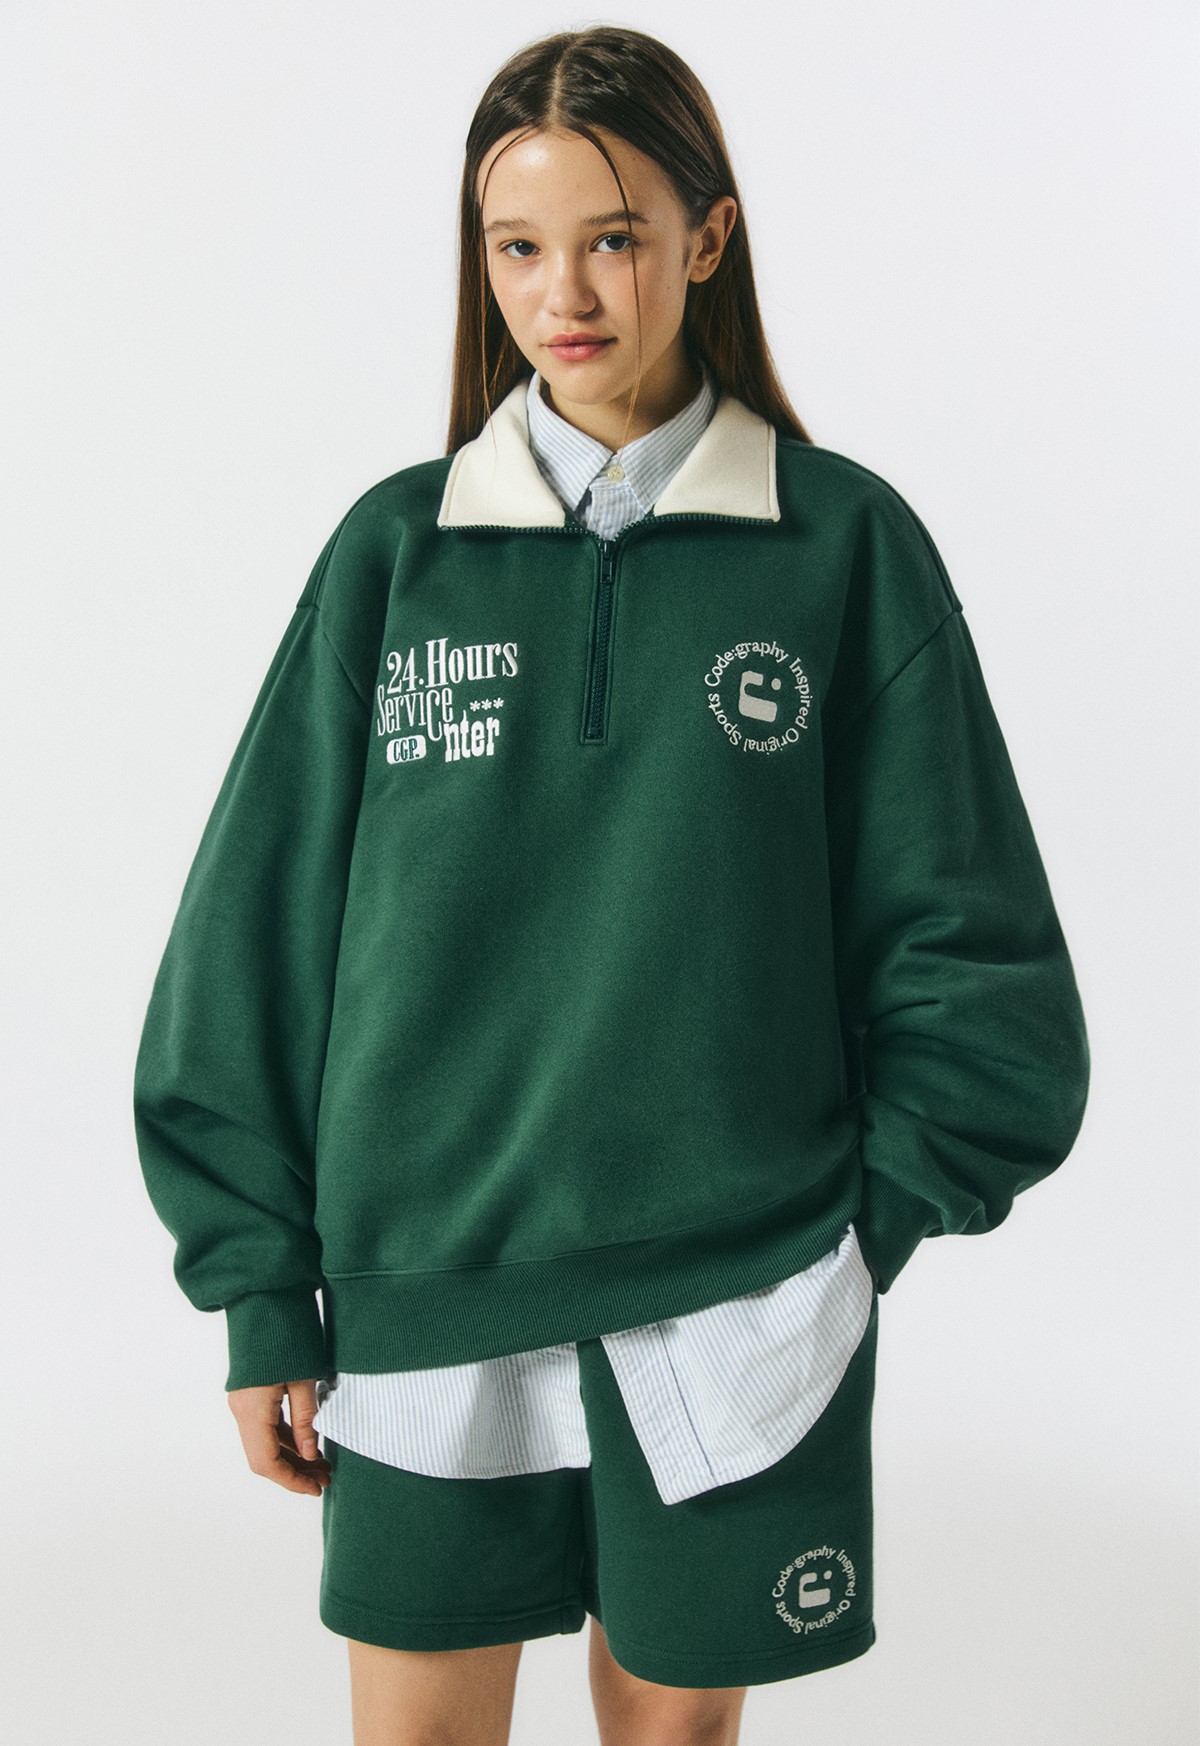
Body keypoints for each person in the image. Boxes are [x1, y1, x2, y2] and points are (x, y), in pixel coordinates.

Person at [132, 24, 1090, 1746]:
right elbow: (250, 948)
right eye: (517, 245)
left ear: (708, 237)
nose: (560, 292)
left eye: (614, 237)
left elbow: (983, 970)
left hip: (739, 1305)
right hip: (427, 1296)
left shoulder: (841, 546)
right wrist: (260, 1286)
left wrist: (846, 1245)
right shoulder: (396, 556)